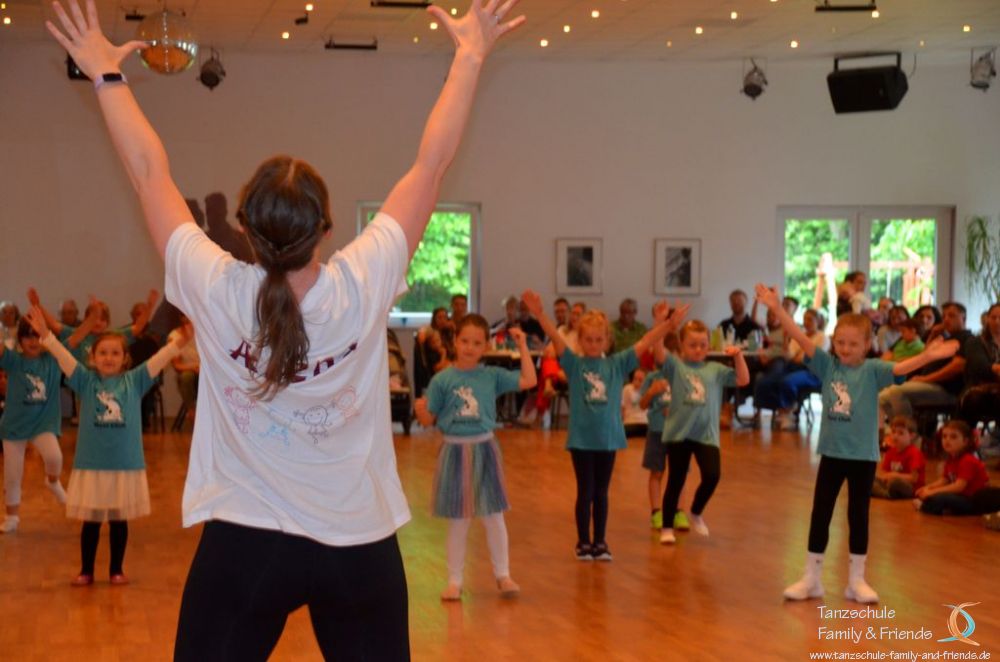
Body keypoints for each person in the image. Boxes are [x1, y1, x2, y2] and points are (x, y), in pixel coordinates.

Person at [45, 0, 523, 656]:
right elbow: (430, 165)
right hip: (358, 542)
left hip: (246, 543)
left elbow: (149, 173)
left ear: (243, 226)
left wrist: (106, 75)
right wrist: (468, 57)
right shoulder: (365, 277)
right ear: (326, 229)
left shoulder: (215, 285)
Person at [755, 284, 958, 604]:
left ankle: (856, 580)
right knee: (821, 512)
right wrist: (777, 309)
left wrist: (927, 356)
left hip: (863, 456)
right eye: (840, 342)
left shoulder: (874, 370)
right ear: (833, 342)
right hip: (832, 453)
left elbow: (901, 368)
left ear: (867, 345)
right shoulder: (827, 365)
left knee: (858, 514)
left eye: (853, 344)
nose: (845, 349)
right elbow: (800, 337)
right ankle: (812, 579)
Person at [25, 307, 186, 584]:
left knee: (119, 520)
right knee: (92, 520)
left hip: (124, 464)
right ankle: (86, 570)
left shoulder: (135, 380)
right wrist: (46, 336)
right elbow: (63, 357)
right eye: (103, 353)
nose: (108, 358)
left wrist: (181, 341)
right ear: (93, 357)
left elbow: (161, 358)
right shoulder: (85, 380)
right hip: (92, 463)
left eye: (114, 353)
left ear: (125, 358)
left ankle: (116, 570)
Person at [523, 290, 687, 561]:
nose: (593, 344)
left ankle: (600, 541)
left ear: (607, 340)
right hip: (582, 440)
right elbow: (554, 336)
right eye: (588, 339)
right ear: (580, 340)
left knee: (601, 492)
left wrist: (668, 324)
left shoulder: (617, 363)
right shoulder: (573, 364)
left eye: (599, 339)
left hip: (608, 439)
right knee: (585, 491)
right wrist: (539, 313)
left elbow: (646, 341)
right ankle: (583, 542)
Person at [413, 317, 536, 601]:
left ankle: (503, 574)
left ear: (486, 346)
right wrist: (421, 411)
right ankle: (454, 580)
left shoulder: (491, 375)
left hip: (485, 449)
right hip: (454, 451)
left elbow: (529, 380)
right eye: (465, 341)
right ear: (455, 341)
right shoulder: (442, 380)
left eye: (477, 343)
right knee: (459, 519)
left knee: (493, 516)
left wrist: (523, 346)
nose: (470, 347)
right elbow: (429, 419)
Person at [657, 320, 750, 545]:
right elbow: (658, 352)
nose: (698, 349)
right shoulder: (676, 367)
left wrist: (738, 356)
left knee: (712, 475)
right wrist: (661, 323)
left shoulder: (715, 370)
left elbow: (743, 379)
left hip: (706, 435)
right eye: (692, 345)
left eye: (703, 344)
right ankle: (667, 527)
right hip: (679, 434)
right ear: (681, 345)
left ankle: (696, 511)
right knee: (676, 480)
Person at [0, 319, 68, 533]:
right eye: (28, 336)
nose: (33, 341)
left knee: (55, 457)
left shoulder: (53, 360)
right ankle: (12, 517)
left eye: (37, 336)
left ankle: (53, 482)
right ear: (20, 340)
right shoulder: (14, 361)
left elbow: (74, 340)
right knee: (12, 474)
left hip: (42, 423)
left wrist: (93, 318)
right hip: (14, 426)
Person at [878, 302, 973, 423]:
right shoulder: (946, 338)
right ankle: (895, 430)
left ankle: (907, 429)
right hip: (929, 384)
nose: (946, 319)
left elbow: (956, 367)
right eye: (944, 316)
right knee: (882, 397)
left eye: (951, 315)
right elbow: (925, 356)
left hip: (946, 389)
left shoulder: (967, 338)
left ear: (963, 318)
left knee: (896, 391)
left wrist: (925, 379)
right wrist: (933, 334)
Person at [915, 420, 990, 515]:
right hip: (960, 496)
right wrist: (927, 487)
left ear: (965, 441)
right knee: (935, 496)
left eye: (953, 437)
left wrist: (932, 492)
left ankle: (928, 507)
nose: (947, 440)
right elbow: (945, 480)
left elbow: (959, 487)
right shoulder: (951, 459)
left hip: (972, 500)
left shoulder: (967, 460)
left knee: (940, 498)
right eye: (944, 436)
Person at [957, 302, 1000, 429]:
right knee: (975, 400)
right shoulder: (975, 342)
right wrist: (996, 368)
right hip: (979, 388)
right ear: (987, 319)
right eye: (993, 317)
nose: (997, 321)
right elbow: (979, 366)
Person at [871, 415, 925, 499]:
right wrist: (885, 477)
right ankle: (886, 493)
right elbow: (885, 473)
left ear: (911, 436)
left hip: (910, 487)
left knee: (895, 483)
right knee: (870, 479)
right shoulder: (890, 452)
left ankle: (884, 493)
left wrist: (894, 475)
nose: (895, 436)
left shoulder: (915, 453)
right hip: (890, 484)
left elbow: (914, 478)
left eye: (900, 433)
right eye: (893, 432)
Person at [169, 315, 200, 420]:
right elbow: (176, 365)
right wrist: (193, 367)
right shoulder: (174, 336)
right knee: (187, 377)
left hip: (203, 371)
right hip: (187, 371)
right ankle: (191, 410)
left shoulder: (203, 333)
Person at [621, 368, 648, 438]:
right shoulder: (627, 389)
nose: (636, 382)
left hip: (645, 423)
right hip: (630, 422)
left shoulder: (649, 390)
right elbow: (622, 408)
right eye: (635, 379)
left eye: (640, 380)